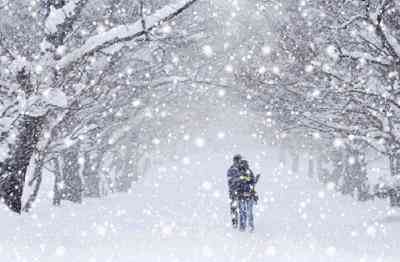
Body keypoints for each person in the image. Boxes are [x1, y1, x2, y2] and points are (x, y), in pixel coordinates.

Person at [237, 159, 259, 232]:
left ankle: (248, 226)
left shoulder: (248, 172)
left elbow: (252, 182)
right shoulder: (240, 173)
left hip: (247, 196)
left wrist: (254, 180)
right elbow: (239, 183)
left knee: (246, 212)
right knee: (245, 212)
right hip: (243, 196)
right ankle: (245, 226)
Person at [227, 154, 243, 228]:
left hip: (241, 191)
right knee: (234, 208)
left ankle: (241, 223)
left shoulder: (242, 169)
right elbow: (230, 181)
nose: (239, 162)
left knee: (241, 208)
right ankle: (234, 223)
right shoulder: (231, 169)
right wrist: (239, 179)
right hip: (234, 191)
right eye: (238, 160)